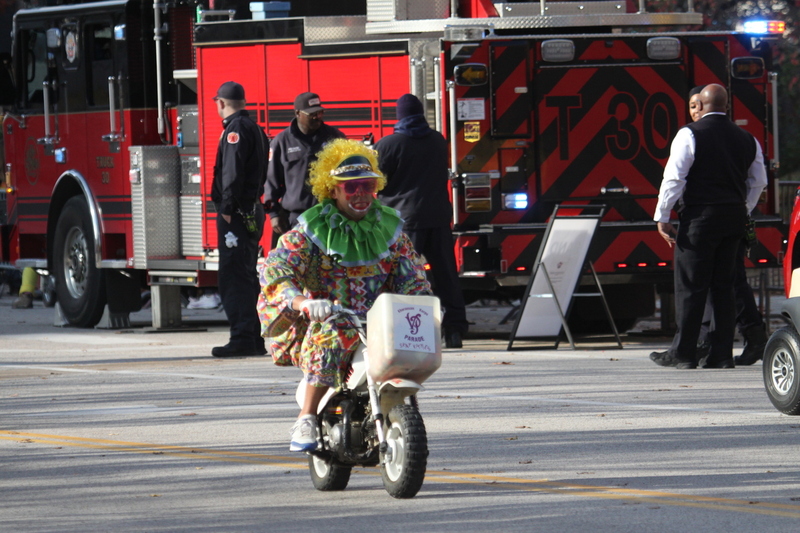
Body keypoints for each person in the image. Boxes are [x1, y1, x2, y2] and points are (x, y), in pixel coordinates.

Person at [257, 138, 431, 452]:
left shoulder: (390, 229)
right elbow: (278, 269)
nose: (361, 194)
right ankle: (307, 416)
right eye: (351, 187)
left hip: (379, 322)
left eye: (368, 186)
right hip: (330, 318)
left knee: (415, 341)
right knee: (332, 336)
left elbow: (411, 276)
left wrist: (422, 302)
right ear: (332, 190)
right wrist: (304, 302)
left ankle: (401, 413)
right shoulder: (312, 230)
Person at [649, 85, 769, 367]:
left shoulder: (689, 134)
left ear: (701, 105)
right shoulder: (748, 139)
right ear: (727, 106)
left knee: (691, 286)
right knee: (724, 287)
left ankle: (683, 353)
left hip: (699, 218)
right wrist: (743, 208)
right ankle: (721, 354)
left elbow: (674, 178)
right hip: (734, 218)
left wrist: (662, 216)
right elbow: (759, 182)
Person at [375, 93, 469, 349]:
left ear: (399, 115)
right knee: (446, 275)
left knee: (403, 276)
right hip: (438, 217)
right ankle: (455, 329)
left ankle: (403, 331)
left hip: (404, 222)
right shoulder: (438, 140)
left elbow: (377, 182)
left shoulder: (388, 145)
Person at [210, 81, 270, 358]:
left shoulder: (234, 130)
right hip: (252, 209)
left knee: (233, 276)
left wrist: (227, 207)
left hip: (237, 213)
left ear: (221, 103)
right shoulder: (255, 128)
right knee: (246, 275)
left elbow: (232, 173)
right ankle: (254, 338)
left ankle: (242, 337)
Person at [264, 92, 345, 245]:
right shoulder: (282, 142)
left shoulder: (334, 137)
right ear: (297, 114)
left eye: (320, 112)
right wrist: (274, 214)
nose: (317, 117)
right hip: (295, 219)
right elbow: (271, 181)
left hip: (328, 217)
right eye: (312, 114)